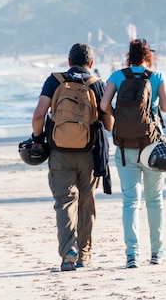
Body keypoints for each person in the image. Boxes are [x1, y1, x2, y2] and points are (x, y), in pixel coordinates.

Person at [31, 43, 114, 271]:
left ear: (68, 61)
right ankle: (84, 255)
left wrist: (37, 139)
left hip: (59, 152)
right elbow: (108, 124)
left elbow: (39, 115)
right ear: (91, 63)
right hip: (89, 153)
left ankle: (68, 251)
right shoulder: (98, 84)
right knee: (87, 203)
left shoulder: (54, 80)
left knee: (65, 202)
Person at [100, 39, 166, 269]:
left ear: (128, 56)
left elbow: (103, 105)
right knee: (154, 200)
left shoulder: (117, 76)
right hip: (152, 146)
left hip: (125, 147)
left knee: (130, 202)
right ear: (147, 56)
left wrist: (119, 116)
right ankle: (157, 252)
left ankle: (132, 255)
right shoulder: (157, 76)